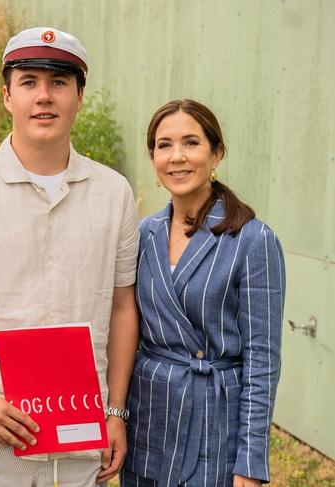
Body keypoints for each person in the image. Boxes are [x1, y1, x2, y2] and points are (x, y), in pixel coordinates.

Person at [0, 27, 140, 486]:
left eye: (59, 82)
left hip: (82, 432)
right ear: (7, 96)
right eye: (29, 82)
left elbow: (123, 306)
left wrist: (115, 410)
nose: (44, 96)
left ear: (80, 97)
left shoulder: (114, 193)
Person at [121, 99, 285, 487]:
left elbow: (262, 359)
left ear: (216, 154)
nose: (176, 156)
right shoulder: (143, 234)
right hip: (150, 420)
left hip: (215, 427)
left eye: (191, 143)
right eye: (164, 145)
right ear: (153, 158)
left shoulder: (253, 240)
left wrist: (250, 459)